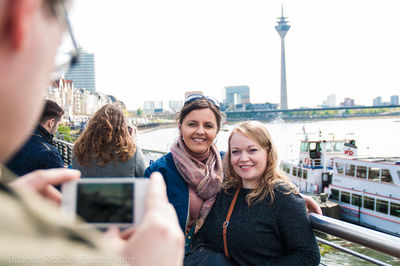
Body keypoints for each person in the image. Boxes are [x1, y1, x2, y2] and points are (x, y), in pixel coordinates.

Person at [0, 0, 184, 265]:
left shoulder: (78, 148)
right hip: (121, 220)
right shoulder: (130, 150)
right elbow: (142, 173)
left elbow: (77, 176)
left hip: (87, 217)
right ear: (22, 14)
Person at [145, 95, 322, 238]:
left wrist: (296, 197)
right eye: (192, 124)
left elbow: (263, 181)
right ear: (180, 126)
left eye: (208, 126)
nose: (200, 131)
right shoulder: (159, 172)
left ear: (216, 131)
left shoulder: (228, 163)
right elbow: (140, 222)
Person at [190, 121, 321, 265]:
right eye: (236, 151)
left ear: (267, 153)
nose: (243, 158)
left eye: (252, 150)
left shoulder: (282, 197)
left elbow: (307, 255)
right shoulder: (226, 191)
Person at [72, 104, 146, 177]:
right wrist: (133, 143)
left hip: (87, 189)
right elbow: (144, 175)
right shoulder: (132, 152)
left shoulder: (78, 150)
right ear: (123, 128)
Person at [6, 99, 65, 176]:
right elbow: (60, 186)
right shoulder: (50, 153)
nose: (57, 128)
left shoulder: (10, 143)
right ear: (51, 122)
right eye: (58, 124)